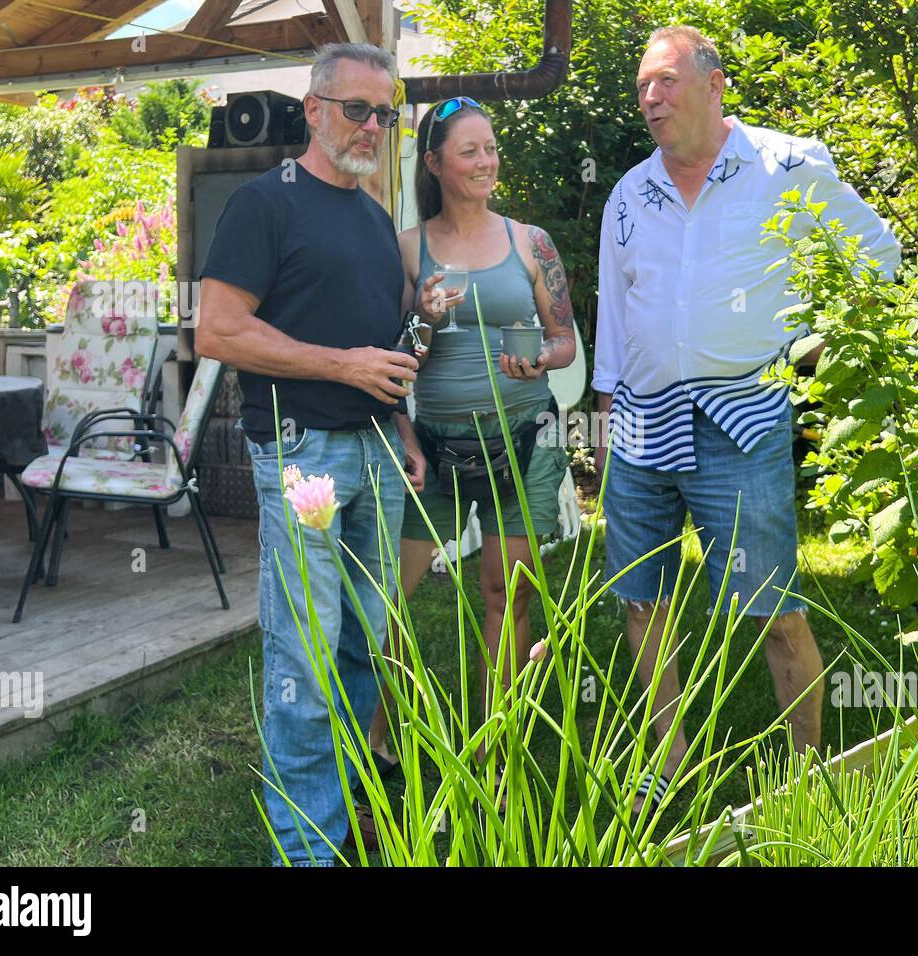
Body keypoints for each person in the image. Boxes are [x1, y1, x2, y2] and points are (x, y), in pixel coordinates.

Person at [594, 26, 901, 812]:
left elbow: (879, 256)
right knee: (642, 600)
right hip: (640, 423)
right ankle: (669, 761)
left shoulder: (786, 165)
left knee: (771, 607)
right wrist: (603, 417)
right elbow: (615, 318)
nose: (651, 99)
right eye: (642, 88)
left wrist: (822, 344)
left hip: (743, 417)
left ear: (713, 83)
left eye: (664, 82)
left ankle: (809, 779)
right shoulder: (630, 193)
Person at [195, 43, 426, 865]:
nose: (372, 126)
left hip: (371, 450)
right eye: (358, 109)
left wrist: (399, 429)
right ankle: (307, 848)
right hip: (303, 455)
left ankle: (348, 801)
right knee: (307, 649)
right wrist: (342, 367)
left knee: (365, 637)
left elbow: (373, 342)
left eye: (386, 114)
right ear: (315, 109)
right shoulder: (267, 204)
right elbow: (217, 330)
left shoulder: (368, 214)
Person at [366, 97, 577, 781]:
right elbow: (394, 359)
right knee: (393, 591)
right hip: (438, 443)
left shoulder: (530, 242)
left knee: (505, 593)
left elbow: (565, 339)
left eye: (490, 148)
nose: (486, 161)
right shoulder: (405, 248)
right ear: (435, 162)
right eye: (469, 151)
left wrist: (540, 359)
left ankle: (492, 748)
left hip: (525, 438)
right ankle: (382, 736)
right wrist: (424, 321)